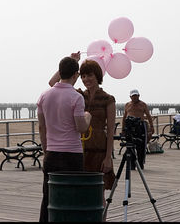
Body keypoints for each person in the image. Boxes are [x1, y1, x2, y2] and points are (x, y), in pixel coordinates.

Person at [49, 52, 116, 220]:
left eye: (90, 75)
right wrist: (72, 61)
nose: (86, 79)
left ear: (97, 76)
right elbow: (53, 83)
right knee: (78, 192)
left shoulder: (108, 99)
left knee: (98, 193)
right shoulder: (78, 95)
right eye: (83, 75)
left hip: (99, 151)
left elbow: (111, 131)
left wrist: (108, 157)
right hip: (79, 150)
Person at [37, 56, 92, 222]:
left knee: (48, 197)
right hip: (72, 154)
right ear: (76, 75)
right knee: (72, 197)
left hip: (52, 153)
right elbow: (80, 127)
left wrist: (46, 150)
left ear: (60, 72)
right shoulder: (76, 97)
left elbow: (42, 127)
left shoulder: (44, 96)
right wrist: (88, 116)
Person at [122, 89, 155, 170]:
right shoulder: (127, 105)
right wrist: (123, 129)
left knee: (141, 147)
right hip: (130, 127)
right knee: (130, 146)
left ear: (139, 95)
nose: (135, 97)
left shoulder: (143, 104)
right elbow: (124, 117)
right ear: (130, 96)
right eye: (133, 96)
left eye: (136, 96)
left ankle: (140, 164)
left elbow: (148, 115)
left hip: (140, 126)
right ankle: (132, 164)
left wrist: (151, 126)